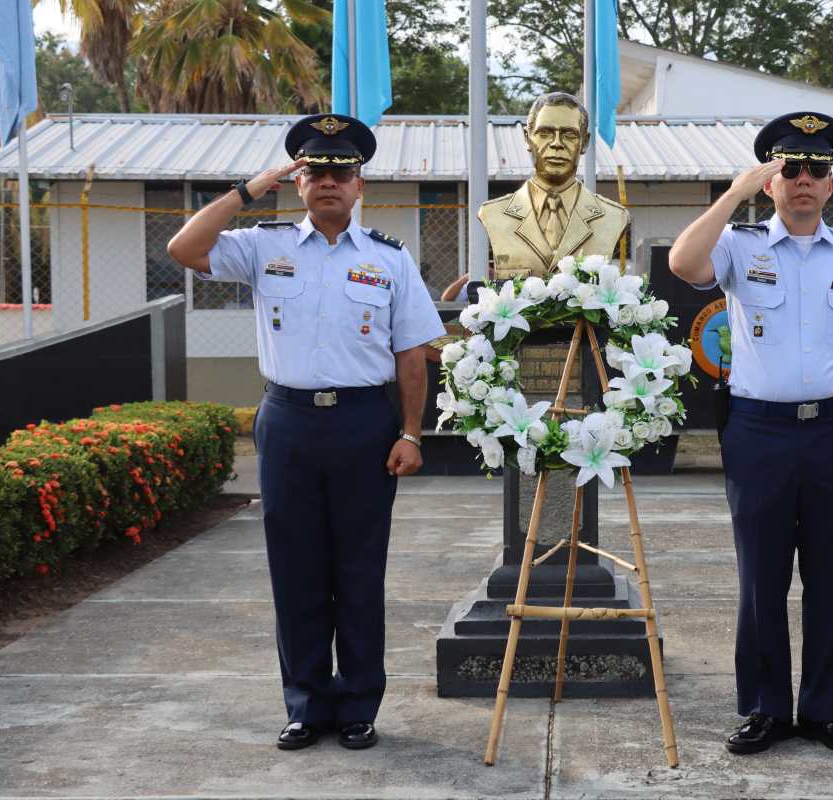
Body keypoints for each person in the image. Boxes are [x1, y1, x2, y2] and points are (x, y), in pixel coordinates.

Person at [167, 113, 445, 752]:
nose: (327, 183)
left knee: (357, 569)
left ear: (360, 186)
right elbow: (184, 250)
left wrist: (412, 433)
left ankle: (357, 706)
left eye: (340, 173)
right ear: (297, 183)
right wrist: (246, 191)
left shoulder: (389, 259)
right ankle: (305, 705)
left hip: (363, 423)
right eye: (315, 171)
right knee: (295, 570)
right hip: (288, 420)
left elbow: (410, 355)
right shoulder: (264, 245)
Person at [668, 111, 833, 756]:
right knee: (761, 580)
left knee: (831, 578)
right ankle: (767, 710)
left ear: (830, 184)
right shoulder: (740, 246)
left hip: (830, 431)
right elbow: (685, 263)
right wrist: (735, 192)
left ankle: (824, 712)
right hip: (758, 432)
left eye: (815, 169)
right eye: (789, 168)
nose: (802, 179)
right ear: (771, 180)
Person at [477, 92, 628, 279]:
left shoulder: (613, 216)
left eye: (570, 134)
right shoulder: (493, 213)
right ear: (527, 139)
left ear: (584, 142)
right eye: (545, 132)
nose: (557, 143)